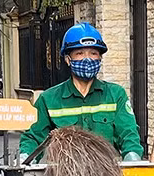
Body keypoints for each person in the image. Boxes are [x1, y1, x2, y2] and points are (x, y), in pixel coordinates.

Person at [18, 23, 143, 162]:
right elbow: (33, 137)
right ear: (67, 59)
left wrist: (133, 158)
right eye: (79, 53)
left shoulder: (115, 95)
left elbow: (129, 134)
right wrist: (25, 158)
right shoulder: (49, 99)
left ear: (100, 58)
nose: (87, 59)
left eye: (93, 53)